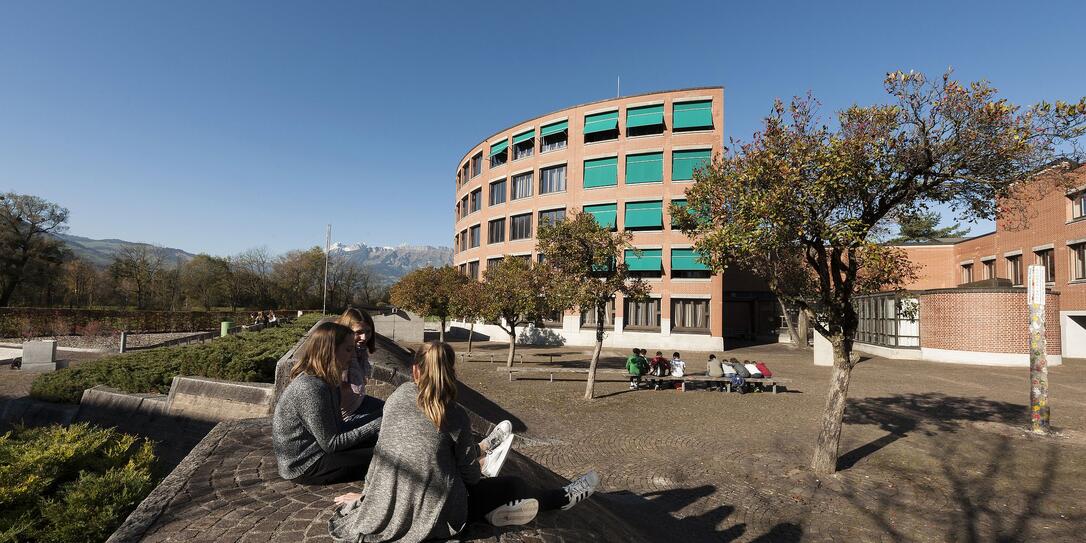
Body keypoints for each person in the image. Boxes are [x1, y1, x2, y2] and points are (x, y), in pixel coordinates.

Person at [328, 342, 600, 541]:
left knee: (471, 477)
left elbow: (381, 453)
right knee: (512, 484)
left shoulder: (398, 396)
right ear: (450, 371)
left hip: (387, 498)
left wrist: (368, 496)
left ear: (415, 372)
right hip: (435, 509)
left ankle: (496, 506)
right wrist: (476, 468)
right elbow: (470, 478)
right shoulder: (453, 413)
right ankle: (563, 497)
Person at [273, 322, 379, 485]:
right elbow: (332, 443)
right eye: (348, 349)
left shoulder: (328, 381)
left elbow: (339, 428)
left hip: (320, 452)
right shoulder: (310, 388)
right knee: (390, 456)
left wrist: (379, 418)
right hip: (306, 465)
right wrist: (376, 424)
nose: (353, 355)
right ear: (330, 350)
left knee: (385, 440)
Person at [335, 308, 385, 436]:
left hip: (359, 403)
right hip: (346, 416)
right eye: (358, 332)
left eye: (368, 331)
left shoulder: (360, 352)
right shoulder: (341, 356)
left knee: (394, 410)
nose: (364, 337)